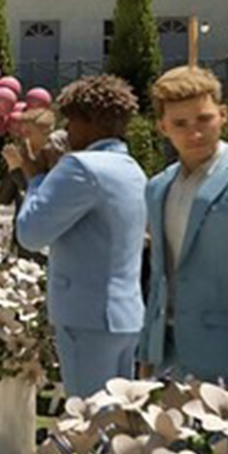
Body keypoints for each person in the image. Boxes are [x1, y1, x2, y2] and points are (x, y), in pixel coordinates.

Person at [13, 75, 147, 399]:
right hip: (125, 315)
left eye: (70, 122)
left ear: (90, 122)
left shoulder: (80, 167)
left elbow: (30, 233)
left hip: (86, 318)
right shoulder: (132, 168)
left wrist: (35, 178)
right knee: (118, 416)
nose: (67, 131)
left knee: (89, 418)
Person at [139, 66, 228, 394]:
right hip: (169, 359)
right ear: (162, 127)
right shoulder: (157, 188)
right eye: (180, 124)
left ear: (223, 115)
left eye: (204, 119)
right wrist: (147, 352)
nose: (194, 132)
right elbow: (160, 275)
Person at [1, 107, 66, 259]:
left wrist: (17, 170)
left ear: (46, 133)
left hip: (48, 245)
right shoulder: (22, 158)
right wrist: (12, 167)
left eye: (28, 132)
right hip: (23, 244)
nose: (24, 138)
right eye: (21, 133)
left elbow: (43, 197)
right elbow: (3, 198)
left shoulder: (59, 160)